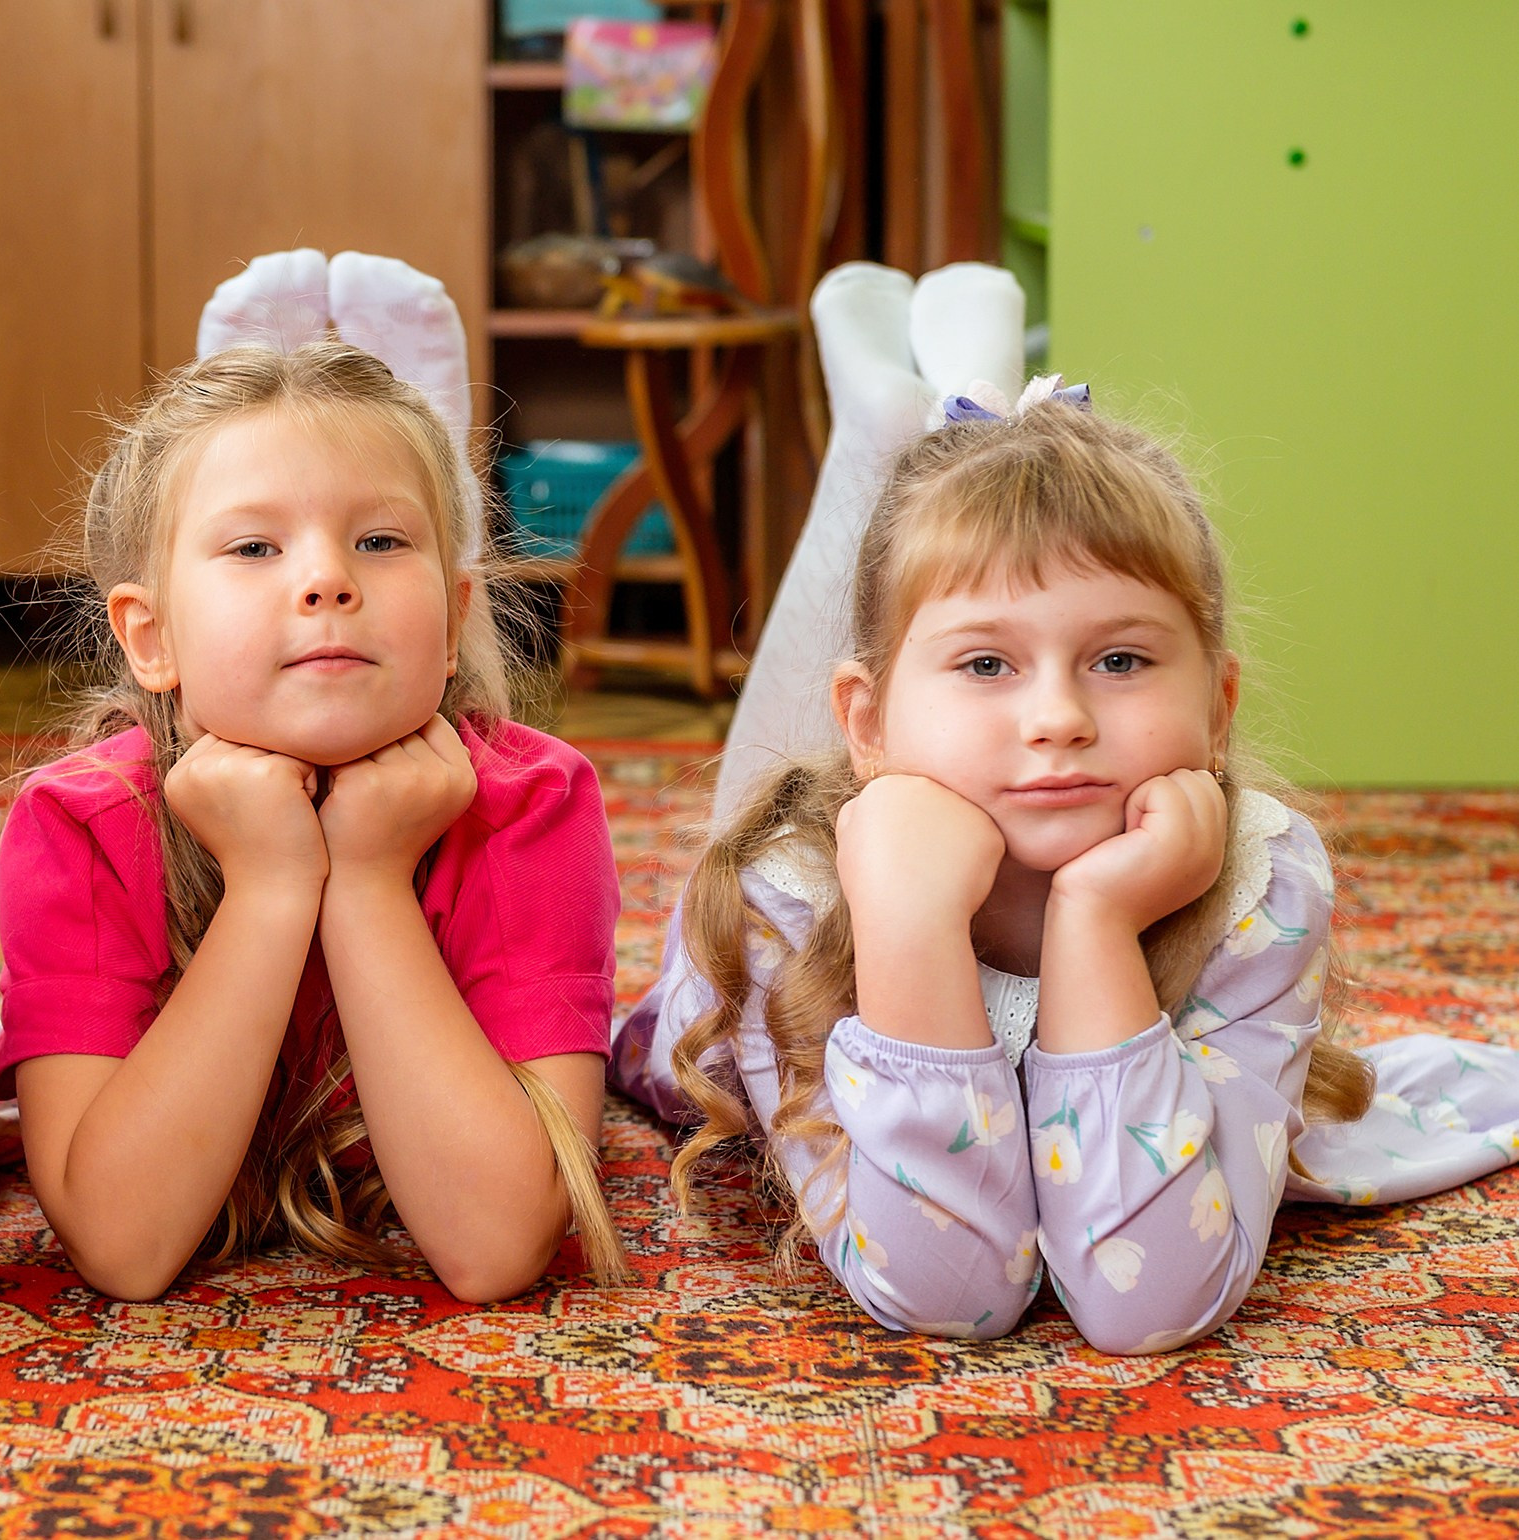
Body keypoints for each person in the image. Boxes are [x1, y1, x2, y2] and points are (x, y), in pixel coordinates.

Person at [613, 382, 1519, 1353]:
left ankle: (928, 426)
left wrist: (1095, 923)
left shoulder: (1261, 881)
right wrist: (908, 926)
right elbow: (948, 1292)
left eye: (1120, 660)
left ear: (1216, 708)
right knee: (765, 784)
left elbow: (1152, 1297)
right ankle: (875, 430)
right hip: (720, 1012)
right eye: (987, 665)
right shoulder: (782, 901)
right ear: (868, 728)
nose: (1059, 717)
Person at [0, 251, 624, 1303]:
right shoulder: (79, 825)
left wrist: (369, 881)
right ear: (150, 638)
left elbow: (497, 1244)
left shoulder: (535, 805)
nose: (327, 579)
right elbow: (122, 1245)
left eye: (379, 540)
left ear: (457, 617)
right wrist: (273, 887)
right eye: (253, 548)